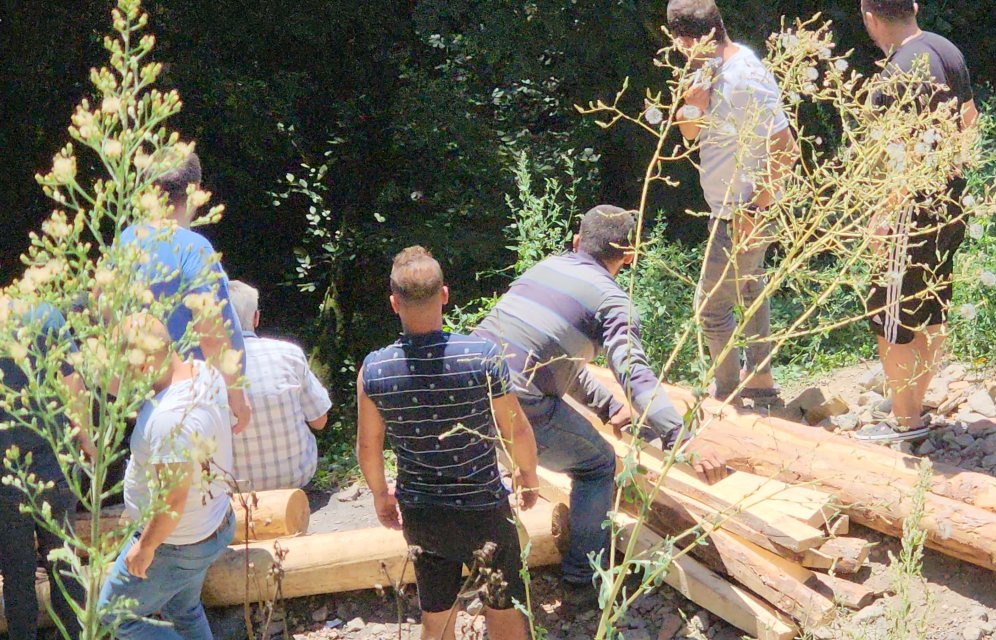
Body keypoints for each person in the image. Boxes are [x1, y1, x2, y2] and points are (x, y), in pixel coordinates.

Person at [474, 205, 727, 599]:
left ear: (577, 242)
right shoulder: (613, 302)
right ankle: (583, 579)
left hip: (466, 385)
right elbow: (635, 374)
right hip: (518, 404)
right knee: (597, 465)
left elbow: (559, 360)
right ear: (628, 257)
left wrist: (608, 407)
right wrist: (683, 438)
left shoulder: (546, 269)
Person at [357, 246, 539, 640]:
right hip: (485, 509)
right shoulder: (481, 356)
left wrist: (379, 495)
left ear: (394, 303)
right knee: (503, 609)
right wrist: (529, 473)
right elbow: (516, 430)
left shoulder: (375, 369)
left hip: (423, 513)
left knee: (436, 616)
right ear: (444, 295)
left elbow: (369, 447)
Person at [852, 0, 979, 442]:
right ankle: (912, 400)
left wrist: (883, 218)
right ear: (915, 6)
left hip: (910, 210)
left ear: (869, 16)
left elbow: (899, 160)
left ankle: (906, 422)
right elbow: (971, 120)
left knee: (892, 316)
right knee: (931, 304)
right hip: (950, 202)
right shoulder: (946, 50)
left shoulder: (896, 75)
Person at [668, 0, 798, 404]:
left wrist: (756, 211)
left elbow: (785, 147)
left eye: (678, 42)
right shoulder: (707, 68)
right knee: (749, 290)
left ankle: (726, 394)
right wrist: (694, 101)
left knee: (710, 310)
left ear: (686, 38)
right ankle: (759, 380)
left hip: (742, 212)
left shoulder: (745, 77)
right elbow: (689, 132)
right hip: (729, 209)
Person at [99, 314, 237, 640]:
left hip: (176, 543)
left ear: (145, 365)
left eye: (125, 369)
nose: (122, 379)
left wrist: (145, 548)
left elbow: (173, 499)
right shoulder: (205, 372)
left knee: (114, 616)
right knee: (183, 609)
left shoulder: (167, 419)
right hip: (212, 522)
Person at [117, 152, 252, 433]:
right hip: (193, 402)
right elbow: (212, 335)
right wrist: (237, 396)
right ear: (195, 192)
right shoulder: (194, 248)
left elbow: (103, 319)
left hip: (140, 403)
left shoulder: (125, 243)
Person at [0, 303, 91, 640]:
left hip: (7, 473)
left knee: (17, 571)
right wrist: (87, 441)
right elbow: (72, 383)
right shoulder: (45, 314)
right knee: (65, 563)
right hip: (55, 462)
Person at [226, 280, 332, 491]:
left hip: (235, 488)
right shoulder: (289, 353)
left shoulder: (203, 370)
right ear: (256, 318)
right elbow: (320, 421)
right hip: (295, 480)